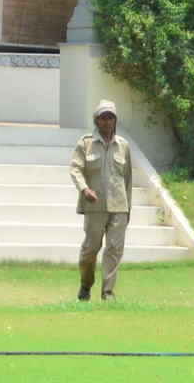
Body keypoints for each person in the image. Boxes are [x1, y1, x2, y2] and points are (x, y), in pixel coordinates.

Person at [71, 100, 134, 301]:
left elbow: (128, 179)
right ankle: (85, 284)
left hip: (119, 206)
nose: (106, 122)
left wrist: (128, 209)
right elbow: (75, 168)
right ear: (96, 120)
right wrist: (84, 189)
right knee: (90, 250)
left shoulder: (123, 146)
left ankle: (108, 292)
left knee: (114, 250)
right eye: (102, 118)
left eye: (110, 118)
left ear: (115, 121)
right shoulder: (86, 143)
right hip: (94, 206)